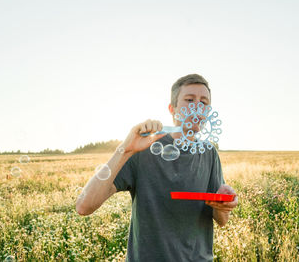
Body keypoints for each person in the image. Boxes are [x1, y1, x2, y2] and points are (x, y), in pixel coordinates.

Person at [76, 74, 238, 261]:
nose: (197, 106)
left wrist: (223, 206)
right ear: (172, 109)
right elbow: (84, 206)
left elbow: (221, 220)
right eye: (189, 99)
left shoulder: (209, 153)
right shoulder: (144, 149)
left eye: (204, 102)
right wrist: (126, 149)